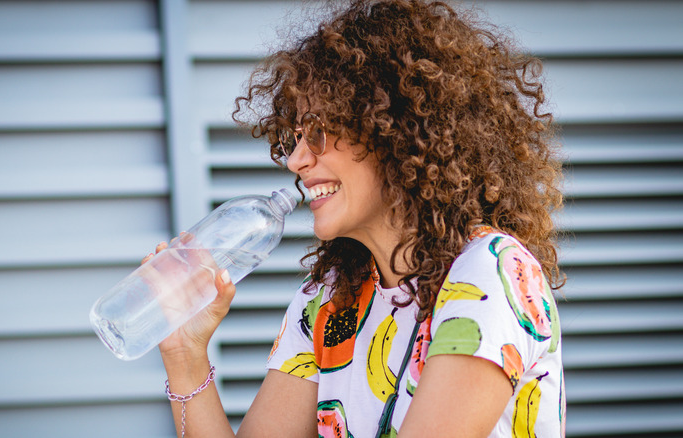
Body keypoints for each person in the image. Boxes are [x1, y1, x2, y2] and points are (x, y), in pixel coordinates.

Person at [146, 0, 566, 436]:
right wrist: (186, 355)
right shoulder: (328, 300)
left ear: (395, 130)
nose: (296, 161)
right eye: (293, 138)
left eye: (317, 132)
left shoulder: (490, 274)